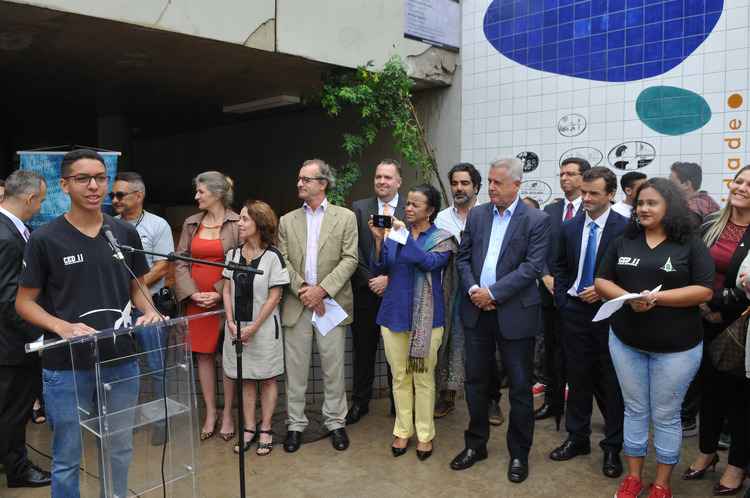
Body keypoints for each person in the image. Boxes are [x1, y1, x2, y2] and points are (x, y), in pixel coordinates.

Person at [15, 148, 162, 497]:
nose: (94, 186)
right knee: (67, 455)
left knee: (120, 447)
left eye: (100, 177)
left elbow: (137, 285)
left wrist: (150, 310)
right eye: (83, 178)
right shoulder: (44, 238)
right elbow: (24, 303)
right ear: (64, 185)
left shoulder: (123, 232)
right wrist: (62, 327)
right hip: (67, 366)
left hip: (120, 360)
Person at [595, 178, 714, 498]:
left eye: (652, 203)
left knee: (665, 414)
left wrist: (657, 299)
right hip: (626, 342)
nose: (644, 208)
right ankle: (633, 477)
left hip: (677, 348)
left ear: (669, 207)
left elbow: (704, 288)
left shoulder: (689, 242)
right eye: (640, 203)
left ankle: (661, 483)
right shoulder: (624, 239)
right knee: (634, 409)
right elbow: (602, 280)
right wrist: (628, 298)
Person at [450, 158, 550, 484]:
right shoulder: (478, 215)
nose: (490, 187)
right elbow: (463, 257)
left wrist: (493, 293)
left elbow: (532, 267)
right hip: (476, 311)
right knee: (475, 382)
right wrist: (473, 288)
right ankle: (475, 444)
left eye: (497, 182)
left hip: (514, 314)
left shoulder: (536, 220)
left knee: (519, 388)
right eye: (489, 181)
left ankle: (519, 454)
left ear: (516, 185)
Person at [548, 167, 627, 478]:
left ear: (610, 195)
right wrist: (565, 301)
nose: (587, 199)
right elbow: (559, 265)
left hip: (610, 315)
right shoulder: (570, 227)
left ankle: (612, 448)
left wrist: (605, 289)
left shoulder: (625, 228)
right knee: (577, 379)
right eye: (584, 192)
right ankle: (577, 438)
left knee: (611, 384)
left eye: (594, 193)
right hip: (575, 313)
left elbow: (631, 269)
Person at [371, 183, 457, 460]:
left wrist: (399, 235)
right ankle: (402, 430)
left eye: (415, 205)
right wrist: (378, 239)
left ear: (430, 210)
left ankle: (424, 434)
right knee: (400, 377)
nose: (407, 208)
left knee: (422, 378)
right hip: (394, 315)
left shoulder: (443, 238)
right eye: (407, 203)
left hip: (426, 321)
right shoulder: (398, 234)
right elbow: (382, 267)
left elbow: (428, 263)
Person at [278, 159, 358, 453]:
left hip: (331, 304)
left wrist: (322, 291)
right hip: (297, 304)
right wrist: (304, 291)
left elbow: (350, 259)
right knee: (296, 370)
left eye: (306, 179)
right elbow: (282, 261)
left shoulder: (346, 217)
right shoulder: (287, 221)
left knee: (334, 367)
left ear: (322, 184)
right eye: (299, 179)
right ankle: (295, 425)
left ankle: (336, 423)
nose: (299, 184)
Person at [683, 165, 750, 495]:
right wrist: (700, 304)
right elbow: (691, 268)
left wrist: (714, 301)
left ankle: (737, 465)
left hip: (741, 328)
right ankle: (707, 453)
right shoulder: (710, 224)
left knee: (741, 401)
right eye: (739, 181)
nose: (742, 188)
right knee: (708, 394)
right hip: (702, 323)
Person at [174, 171, 239, 442]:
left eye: (201, 192)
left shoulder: (238, 222)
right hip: (196, 302)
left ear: (217, 193)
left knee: (227, 358)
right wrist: (191, 293)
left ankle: (227, 415)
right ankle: (210, 412)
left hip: (226, 300)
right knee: (202, 357)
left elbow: (241, 262)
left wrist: (218, 291)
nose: (196, 196)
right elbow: (179, 261)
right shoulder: (191, 223)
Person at [111, 171, 175, 445]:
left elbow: (163, 265)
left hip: (149, 306)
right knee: (124, 367)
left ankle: (161, 422)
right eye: (112, 195)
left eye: (120, 195)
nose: (114, 200)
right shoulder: (108, 226)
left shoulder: (157, 225)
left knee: (156, 366)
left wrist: (133, 285)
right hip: (118, 311)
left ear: (139, 196)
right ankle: (130, 420)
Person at [221, 200, 289, 456]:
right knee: (245, 378)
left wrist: (254, 327)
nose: (240, 224)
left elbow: (275, 296)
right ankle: (248, 428)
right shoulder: (232, 255)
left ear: (259, 224)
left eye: (245, 219)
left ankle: (266, 428)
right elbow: (227, 289)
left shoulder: (273, 257)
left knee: (268, 378)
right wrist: (230, 321)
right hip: (235, 328)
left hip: (263, 329)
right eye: (240, 219)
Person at [0, 170, 50, 489]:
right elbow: (8, 301)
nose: (41, 207)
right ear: (30, 199)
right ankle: (18, 470)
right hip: (12, 345)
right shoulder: (6, 238)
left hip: (10, 342)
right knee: (13, 412)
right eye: (41, 201)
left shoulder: (13, 229)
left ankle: (8, 459)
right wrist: (39, 336)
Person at [348, 159, 404, 424]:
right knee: (363, 351)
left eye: (388, 177)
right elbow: (353, 251)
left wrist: (389, 281)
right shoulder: (359, 208)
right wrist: (372, 279)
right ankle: (360, 402)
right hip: (366, 293)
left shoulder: (410, 208)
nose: (382, 181)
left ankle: (399, 405)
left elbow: (414, 249)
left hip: (398, 294)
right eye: (378, 176)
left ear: (398, 182)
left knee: (398, 353)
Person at [536, 157, 590, 421]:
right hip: (549, 293)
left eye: (570, 174)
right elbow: (540, 249)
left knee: (579, 356)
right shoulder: (551, 210)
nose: (564, 178)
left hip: (580, 297)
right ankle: (552, 402)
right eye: (561, 174)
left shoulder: (592, 210)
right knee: (552, 352)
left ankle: (581, 411)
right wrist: (545, 276)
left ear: (584, 178)